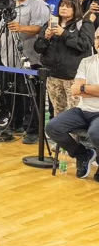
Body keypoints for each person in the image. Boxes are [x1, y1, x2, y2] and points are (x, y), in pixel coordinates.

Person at [0, 0, 50, 143]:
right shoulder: (10, 4)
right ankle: (15, 123)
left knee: (32, 96)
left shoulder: (38, 5)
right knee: (13, 93)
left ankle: (34, 129)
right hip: (9, 57)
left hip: (30, 58)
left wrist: (21, 28)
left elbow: (39, 29)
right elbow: (1, 28)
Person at [46, 27, 99, 178]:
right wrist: (90, 89)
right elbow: (75, 90)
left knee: (95, 133)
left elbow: (80, 88)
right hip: (83, 110)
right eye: (97, 38)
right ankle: (82, 154)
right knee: (53, 127)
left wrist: (84, 88)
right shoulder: (86, 61)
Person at [35, 0, 95, 116]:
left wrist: (64, 33)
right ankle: (59, 134)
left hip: (74, 78)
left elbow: (85, 45)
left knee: (75, 112)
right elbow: (38, 48)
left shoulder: (83, 23)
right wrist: (46, 38)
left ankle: (76, 135)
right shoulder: (50, 23)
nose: (63, 8)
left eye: (68, 6)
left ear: (75, 8)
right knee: (58, 111)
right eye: (62, 5)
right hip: (53, 77)